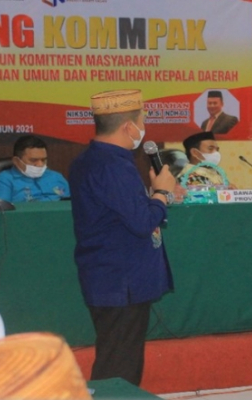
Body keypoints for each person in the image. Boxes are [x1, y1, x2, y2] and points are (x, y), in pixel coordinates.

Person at [68, 89, 177, 386]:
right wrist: (161, 194)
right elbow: (141, 223)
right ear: (129, 127)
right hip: (121, 278)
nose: (143, 128)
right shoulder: (113, 165)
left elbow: (124, 211)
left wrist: (158, 196)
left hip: (108, 272)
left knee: (117, 358)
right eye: (142, 121)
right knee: (119, 367)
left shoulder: (90, 159)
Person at [0, 135, 69, 202]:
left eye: (43, 160)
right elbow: (1, 212)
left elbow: (70, 204)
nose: (40, 165)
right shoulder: (2, 181)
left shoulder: (56, 177)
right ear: (16, 161)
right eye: (34, 160)